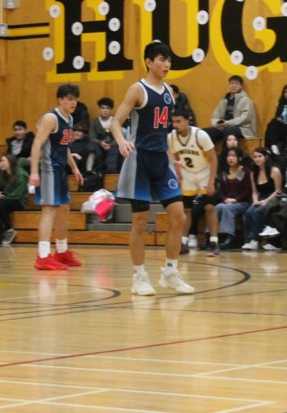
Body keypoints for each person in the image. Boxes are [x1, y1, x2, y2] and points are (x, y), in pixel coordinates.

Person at [111, 41, 195, 295]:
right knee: (139, 222)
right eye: (162, 59)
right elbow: (115, 122)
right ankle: (139, 277)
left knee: (179, 216)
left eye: (169, 60)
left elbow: (163, 131)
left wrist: (173, 159)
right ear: (149, 61)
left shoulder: (169, 91)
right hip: (140, 161)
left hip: (162, 160)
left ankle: (170, 272)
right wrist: (122, 141)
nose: (167, 64)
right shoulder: (138, 89)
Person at [28, 84, 84, 270]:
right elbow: (36, 144)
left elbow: (64, 146)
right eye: (69, 98)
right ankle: (42, 256)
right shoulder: (51, 118)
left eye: (75, 99)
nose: (73, 102)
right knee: (49, 210)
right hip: (48, 168)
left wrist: (74, 167)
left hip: (60, 169)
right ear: (60, 99)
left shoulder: (68, 118)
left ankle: (61, 252)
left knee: (64, 209)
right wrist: (34, 171)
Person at [167, 110, 219, 256]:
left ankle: (214, 242)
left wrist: (211, 182)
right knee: (186, 209)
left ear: (187, 121)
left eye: (178, 121)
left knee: (209, 207)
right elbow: (174, 156)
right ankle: (183, 242)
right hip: (187, 173)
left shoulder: (200, 135)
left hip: (204, 171)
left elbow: (214, 158)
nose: (175, 125)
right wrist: (177, 171)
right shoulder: (171, 137)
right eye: (173, 122)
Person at [241, 148, 282, 251]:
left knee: (257, 212)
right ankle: (247, 240)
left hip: (273, 198)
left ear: (266, 157)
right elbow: (255, 192)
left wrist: (266, 201)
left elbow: (278, 191)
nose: (257, 159)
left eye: (260, 156)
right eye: (255, 157)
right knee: (248, 212)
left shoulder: (274, 171)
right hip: (260, 197)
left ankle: (255, 240)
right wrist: (255, 200)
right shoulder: (253, 174)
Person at [214, 147, 252, 249]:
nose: (231, 158)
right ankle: (210, 237)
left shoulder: (245, 172)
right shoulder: (224, 172)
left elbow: (248, 191)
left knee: (227, 207)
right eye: (229, 156)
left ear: (239, 158)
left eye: (233, 156)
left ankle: (228, 237)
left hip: (242, 202)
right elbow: (220, 191)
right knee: (217, 207)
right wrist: (225, 199)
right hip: (227, 202)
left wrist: (235, 200)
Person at [204, 75, 258, 145]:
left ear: (241, 86)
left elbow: (245, 118)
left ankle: (226, 154)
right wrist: (218, 124)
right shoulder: (224, 100)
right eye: (232, 83)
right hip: (224, 126)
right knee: (204, 133)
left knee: (230, 130)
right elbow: (215, 116)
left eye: (236, 84)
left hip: (241, 128)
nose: (233, 86)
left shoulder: (246, 100)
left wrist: (228, 123)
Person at [0, 154, 29, 244]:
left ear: (10, 163)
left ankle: (10, 229)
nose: (1, 163)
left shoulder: (21, 174)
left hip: (19, 202)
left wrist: (2, 197)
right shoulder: (4, 173)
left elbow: (17, 195)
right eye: (0, 161)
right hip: (7, 200)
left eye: (3, 161)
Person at [89, 97, 122, 173]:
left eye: (107, 108)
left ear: (110, 110)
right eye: (103, 108)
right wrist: (100, 143)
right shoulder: (95, 122)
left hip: (113, 146)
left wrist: (111, 145)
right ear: (99, 109)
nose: (105, 110)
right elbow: (91, 137)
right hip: (99, 146)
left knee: (112, 159)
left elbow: (120, 137)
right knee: (93, 150)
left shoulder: (115, 121)